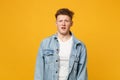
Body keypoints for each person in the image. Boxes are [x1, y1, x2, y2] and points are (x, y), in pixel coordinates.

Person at [34, 8, 88, 80]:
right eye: (60, 21)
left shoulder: (80, 46)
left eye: (66, 21)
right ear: (56, 23)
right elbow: (39, 72)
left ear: (71, 23)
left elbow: (82, 74)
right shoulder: (45, 44)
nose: (63, 24)